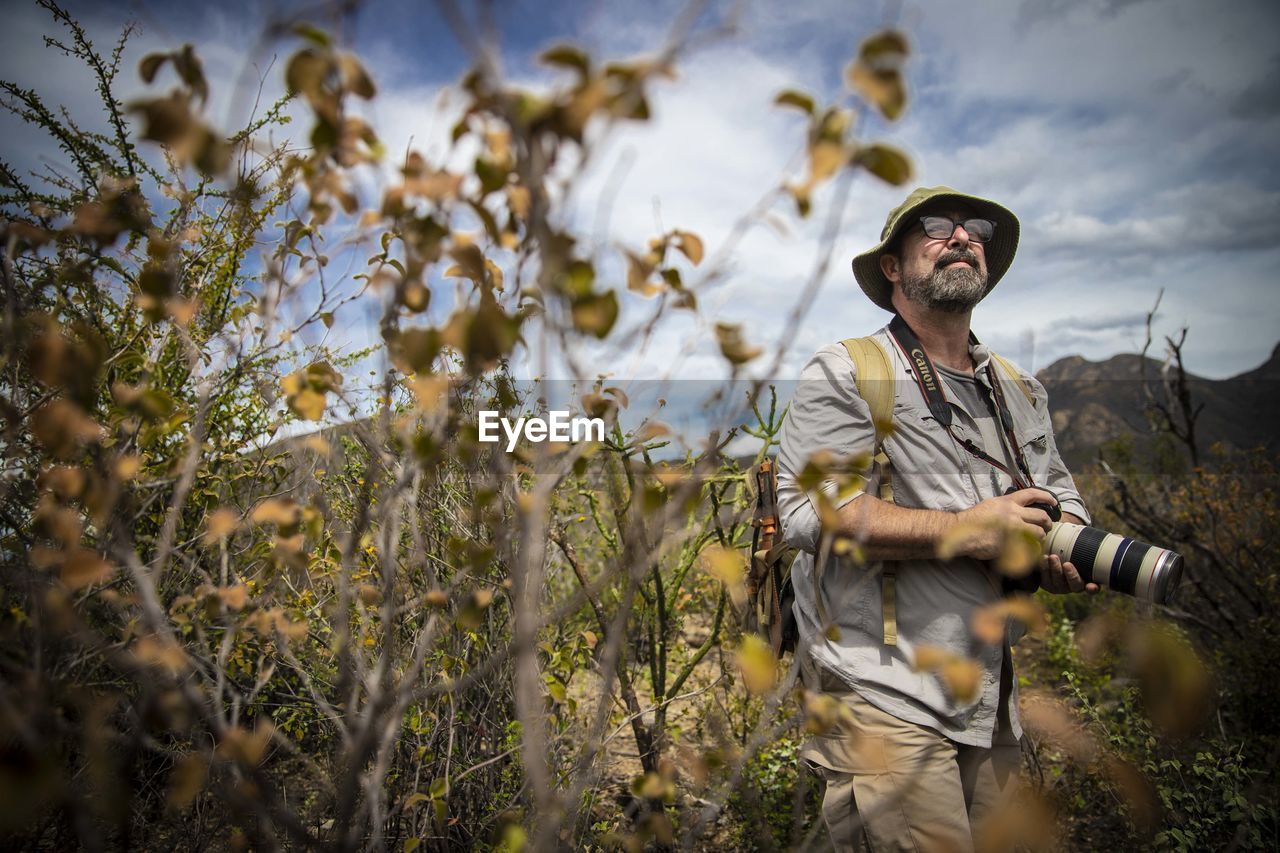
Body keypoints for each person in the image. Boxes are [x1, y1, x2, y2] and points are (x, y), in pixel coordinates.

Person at [776, 186, 1096, 852]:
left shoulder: (1017, 386)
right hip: (881, 690)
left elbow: (1060, 491)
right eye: (935, 226)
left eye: (975, 227)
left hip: (989, 690)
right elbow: (808, 512)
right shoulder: (847, 369)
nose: (961, 236)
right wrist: (964, 529)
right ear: (892, 267)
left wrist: (1064, 546)